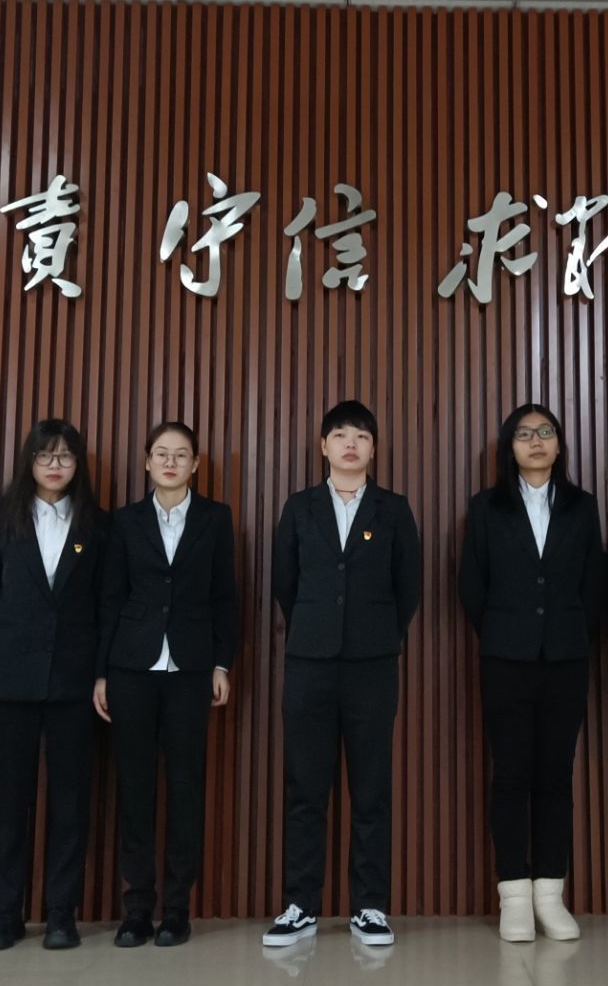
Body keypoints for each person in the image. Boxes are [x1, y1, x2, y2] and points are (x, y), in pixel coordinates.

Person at [264, 401, 423, 949]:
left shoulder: (394, 509)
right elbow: (285, 583)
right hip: (308, 664)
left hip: (372, 666)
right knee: (305, 788)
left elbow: (409, 587)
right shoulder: (299, 507)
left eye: (360, 436)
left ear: (374, 448)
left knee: (371, 788)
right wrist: (316, 629)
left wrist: (374, 635)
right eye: (339, 435)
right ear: (323, 447)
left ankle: (370, 907)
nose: (350, 443)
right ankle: (300, 906)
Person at [457, 404, 605, 942]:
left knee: (556, 776)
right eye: (524, 434)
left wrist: (570, 634)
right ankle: (514, 896)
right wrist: (506, 632)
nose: (536, 441)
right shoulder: (486, 507)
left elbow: (594, 584)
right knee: (512, 775)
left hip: (566, 659)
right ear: (509, 447)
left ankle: (550, 895)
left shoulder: (582, 506)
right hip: (506, 659)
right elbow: (472, 585)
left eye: (546, 432)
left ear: (559, 445)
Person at [95, 420, 238, 948]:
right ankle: (137, 908)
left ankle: (177, 909)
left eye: (181, 454)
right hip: (131, 667)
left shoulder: (216, 518)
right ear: (148, 462)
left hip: (191, 668)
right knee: (134, 788)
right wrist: (101, 672)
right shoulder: (124, 520)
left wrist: (222, 663)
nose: (171, 462)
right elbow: (111, 597)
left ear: (195, 464)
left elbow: (226, 595)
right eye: (161, 453)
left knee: (185, 787)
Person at [0, 419, 104, 951]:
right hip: (11, 681)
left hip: (74, 683)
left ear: (78, 465)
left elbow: (105, 604)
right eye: (45, 455)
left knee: (70, 801)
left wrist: (99, 672)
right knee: (9, 801)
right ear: (28, 461)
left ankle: (60, 914)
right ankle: (4, 914)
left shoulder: (97, 525)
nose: (55, 465)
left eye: (65, 456)